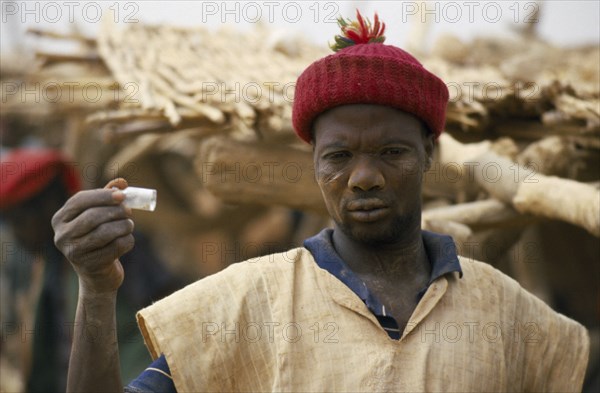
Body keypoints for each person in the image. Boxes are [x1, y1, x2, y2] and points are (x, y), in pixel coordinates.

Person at [52, 11, 589, 392]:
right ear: (314, 163)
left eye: (391, 151)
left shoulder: (510, 315)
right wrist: (97, 292)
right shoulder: (244, 304)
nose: (363, 177)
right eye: (339, 156)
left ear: (429, 153)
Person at [0, 149, 182, 391]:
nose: (18, 235)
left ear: (49, 207)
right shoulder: (48, 269)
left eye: (20, 222)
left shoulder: (114, 248)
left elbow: (170, 307)